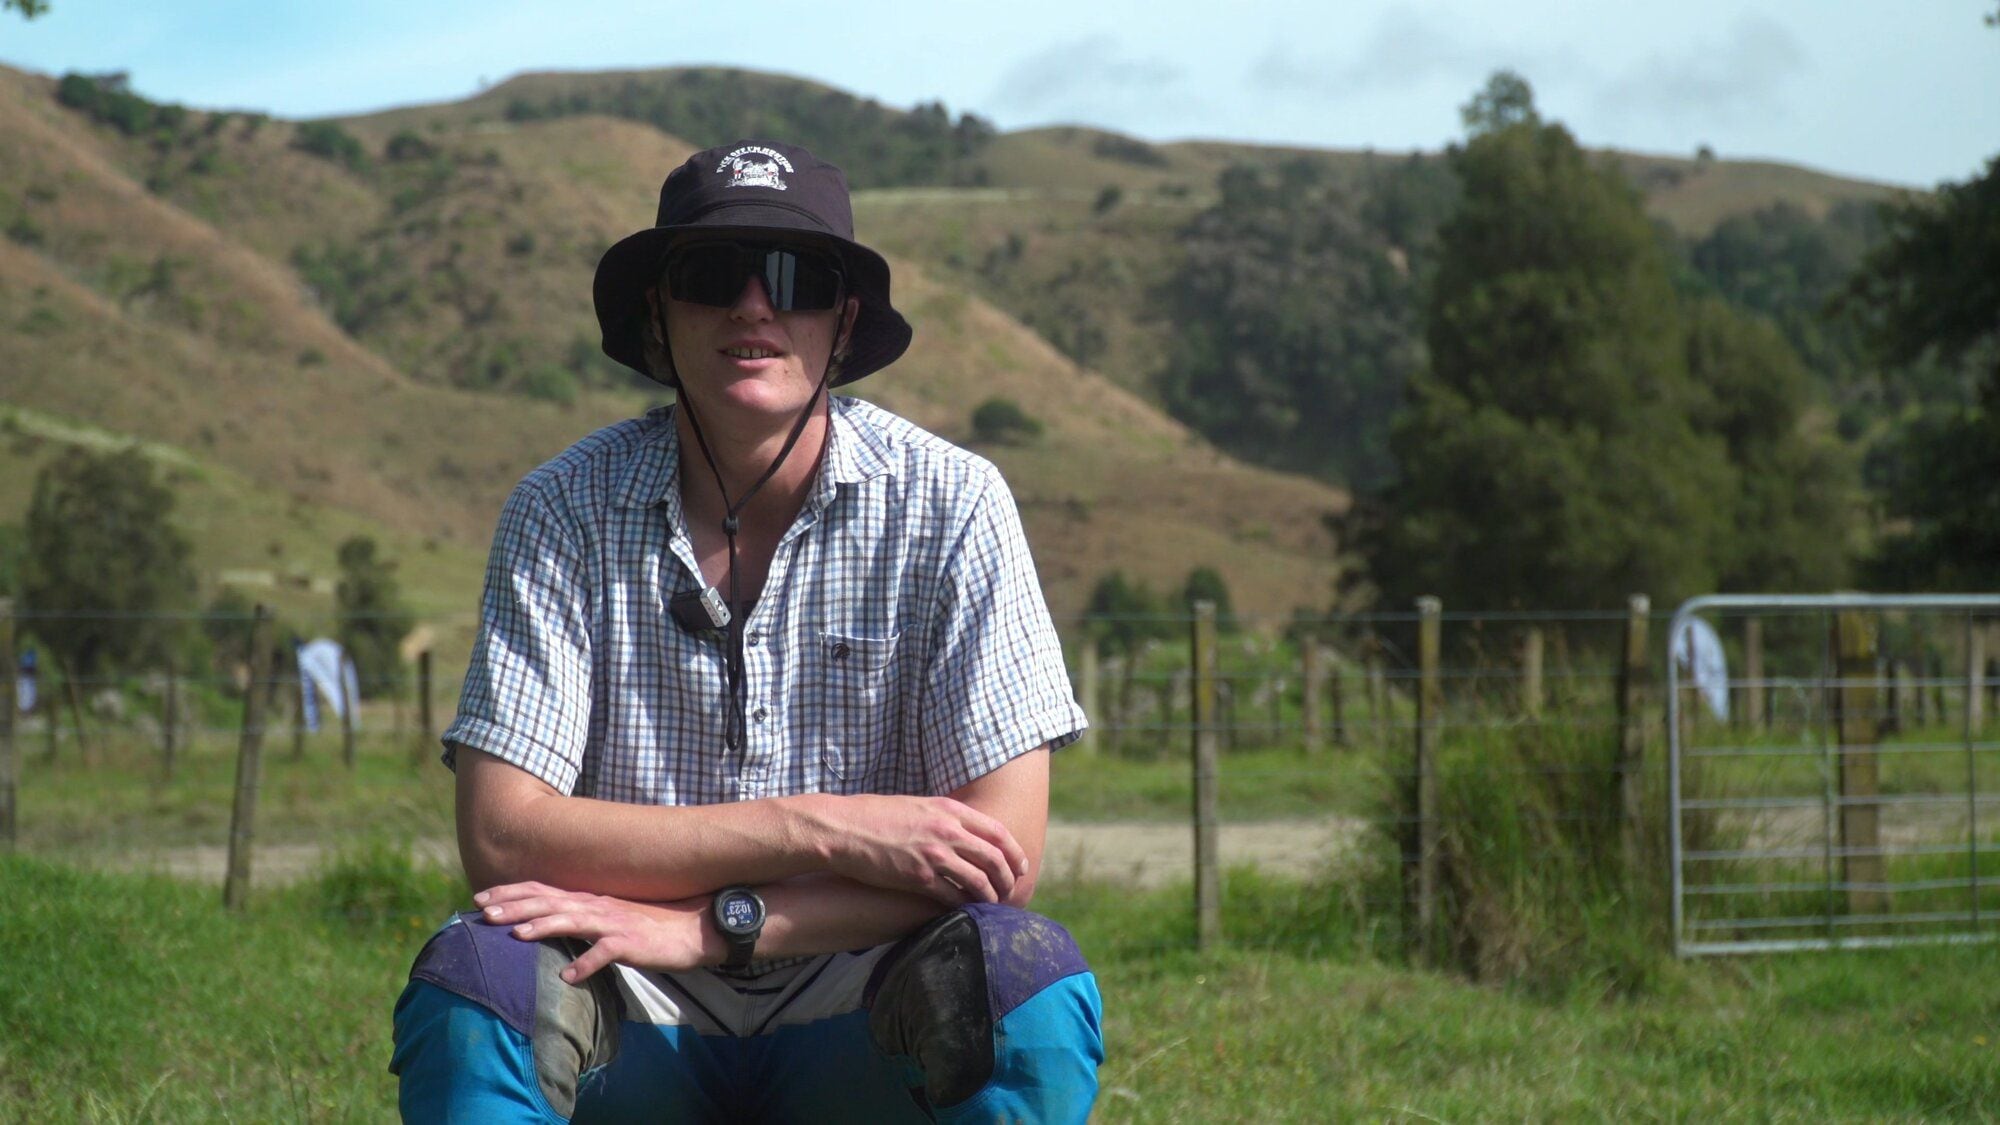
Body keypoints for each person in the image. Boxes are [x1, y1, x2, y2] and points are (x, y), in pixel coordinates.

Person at [388, 139, 1104, 1122]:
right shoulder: (560, 509)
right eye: (713, 274)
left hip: (862, 987)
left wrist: (725, 923)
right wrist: (824, 826)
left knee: (1022, 981)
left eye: (796, 278)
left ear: (843, 323)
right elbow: (503, 837)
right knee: (480, 983)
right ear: (658, 313)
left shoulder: (954, 503)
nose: (753, 306)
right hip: (627, 984)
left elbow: (1000, 859)